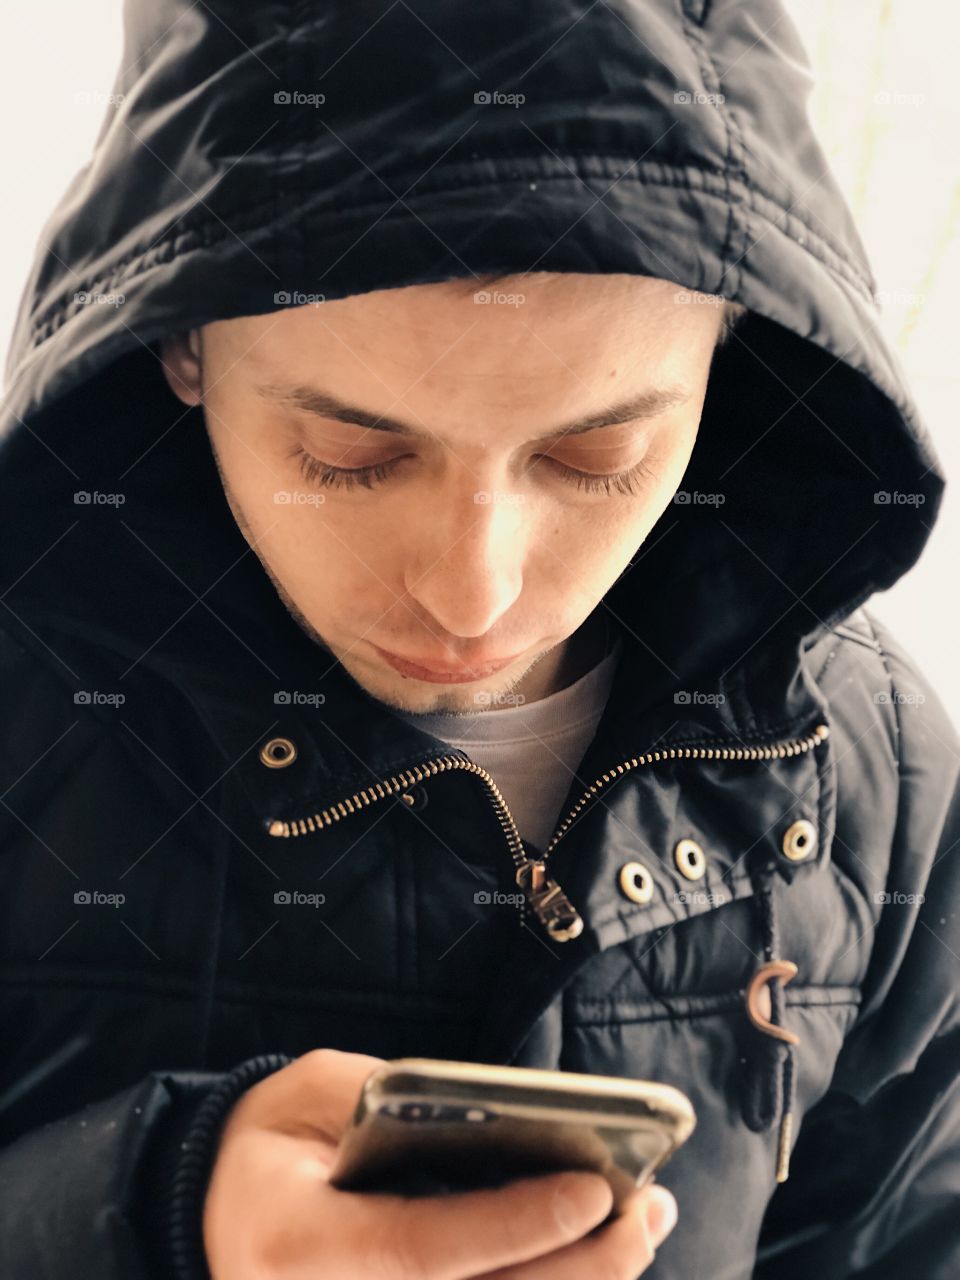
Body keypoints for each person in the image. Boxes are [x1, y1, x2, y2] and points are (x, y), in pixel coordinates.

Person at [0, 2, 956, 1278]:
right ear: (181, 341)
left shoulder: (876, 767)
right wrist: (155, 1213)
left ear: (732, 336)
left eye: (596, 454)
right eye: (348, 456)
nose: (471, 594)